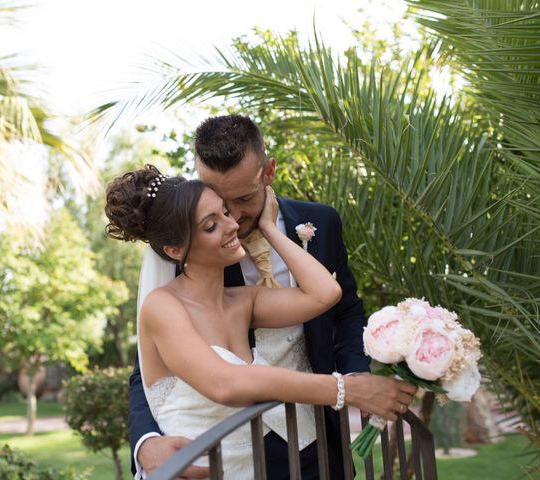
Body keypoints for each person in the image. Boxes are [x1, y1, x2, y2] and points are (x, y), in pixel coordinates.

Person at [127, 115, 417, 479]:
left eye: (242, 199)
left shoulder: (255, 287)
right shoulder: (174, 251)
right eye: (218, 206)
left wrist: (268, 226)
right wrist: (145, 440)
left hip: (310, 437)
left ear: (268, 173)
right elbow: (154, 368)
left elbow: (338, 304)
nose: (232, 218)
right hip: (207, 453)